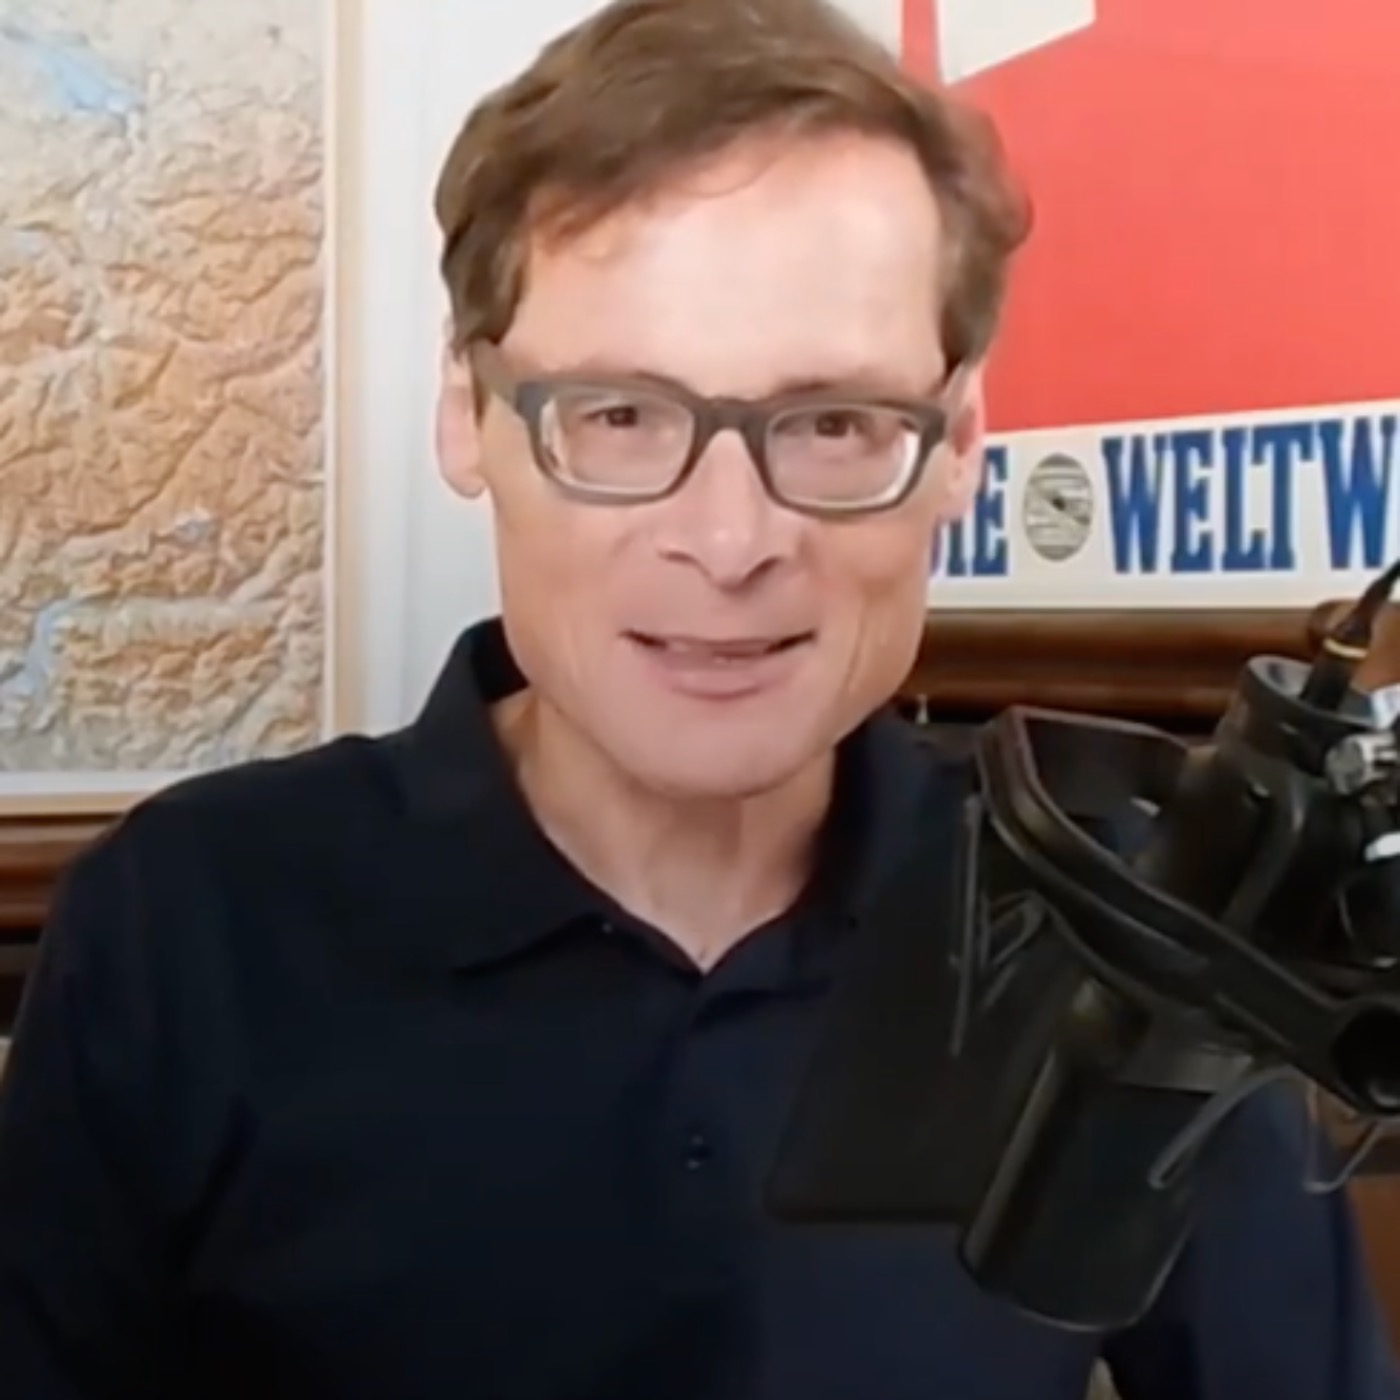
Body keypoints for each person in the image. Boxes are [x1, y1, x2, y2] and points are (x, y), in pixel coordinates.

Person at [0, 0, 1395, 1396]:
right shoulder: (184, 926)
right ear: (468, 414)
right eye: (619, 416)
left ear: (958, 443)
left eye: (835, 423)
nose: (730, 543)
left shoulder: (1137, 935)